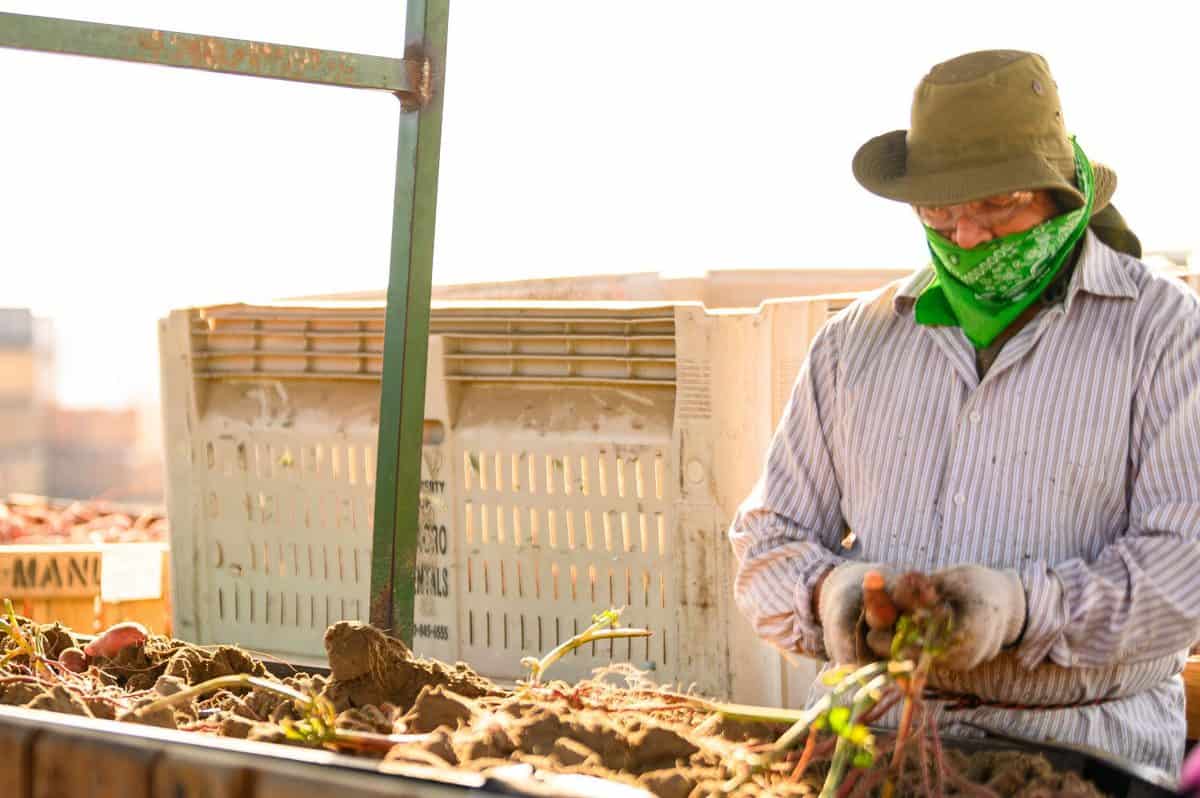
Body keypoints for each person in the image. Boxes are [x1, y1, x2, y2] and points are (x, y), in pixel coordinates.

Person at [728, 49, 1200, 777]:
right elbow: (769, 543)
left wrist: (1021, 611)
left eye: (998, 203)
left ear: (1062, 192)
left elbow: (1183, 572)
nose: (968, 233)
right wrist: (835, 596)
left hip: (1083, 752)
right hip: (874, 739)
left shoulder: (1163, 333)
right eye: (940, 209)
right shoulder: (854, 343)